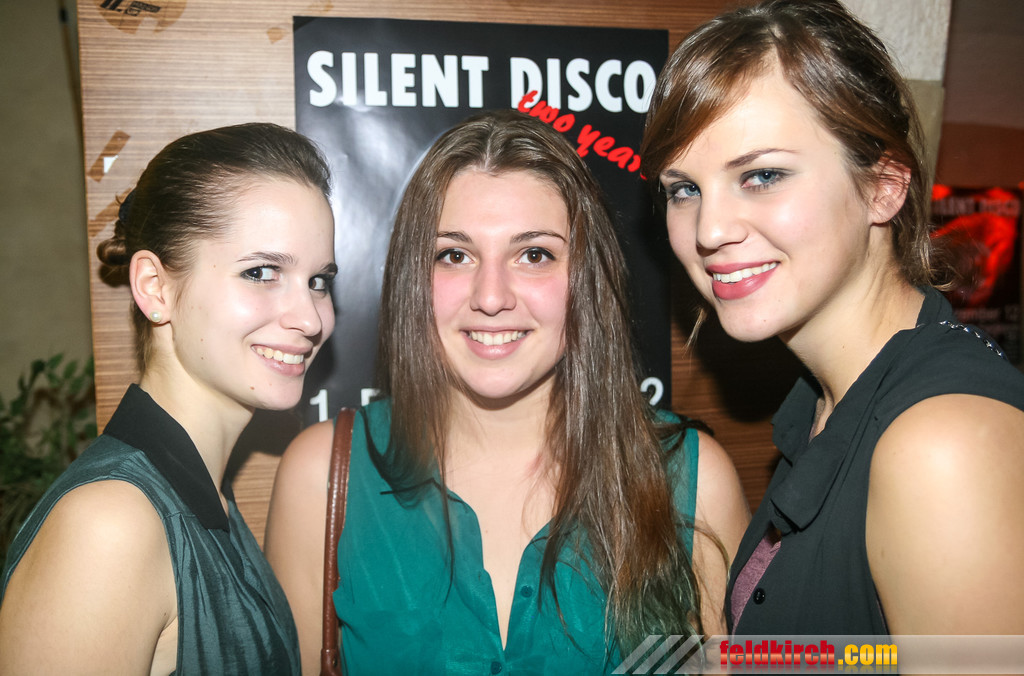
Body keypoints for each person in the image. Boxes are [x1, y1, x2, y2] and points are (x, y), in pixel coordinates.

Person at [265, 109, 750, 673]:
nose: (491, 297)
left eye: (534, 255)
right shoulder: (321, 478)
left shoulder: (694, 482)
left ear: (585, 278)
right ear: (412, 278)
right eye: (454, 255)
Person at [640, 0, 1024, 636]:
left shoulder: (941, 446)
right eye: (685, 189)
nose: (709, 230)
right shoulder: (827, 406)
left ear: (883, 186)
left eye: (762, 176)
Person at [0, 122, 338, 673]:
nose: (310, 318)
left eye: (319, 281)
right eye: (261, 272)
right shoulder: (110, 527)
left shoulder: (202, 495)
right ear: (155, 288)